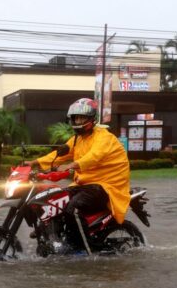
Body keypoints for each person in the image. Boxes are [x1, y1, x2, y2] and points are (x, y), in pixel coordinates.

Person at [26, 98, 131, 247]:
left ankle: (81, 247)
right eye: (76, 118)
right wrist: (34, 163)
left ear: (91, 119)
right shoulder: (77, 139)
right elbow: (58, 156)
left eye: (82, 117)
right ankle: (52, 234)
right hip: (83, 184)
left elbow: (94, 156)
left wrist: (73, 164)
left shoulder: (104, 137)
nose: (78, 121)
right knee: (55, 201)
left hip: (105, 186)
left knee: (72, 209)